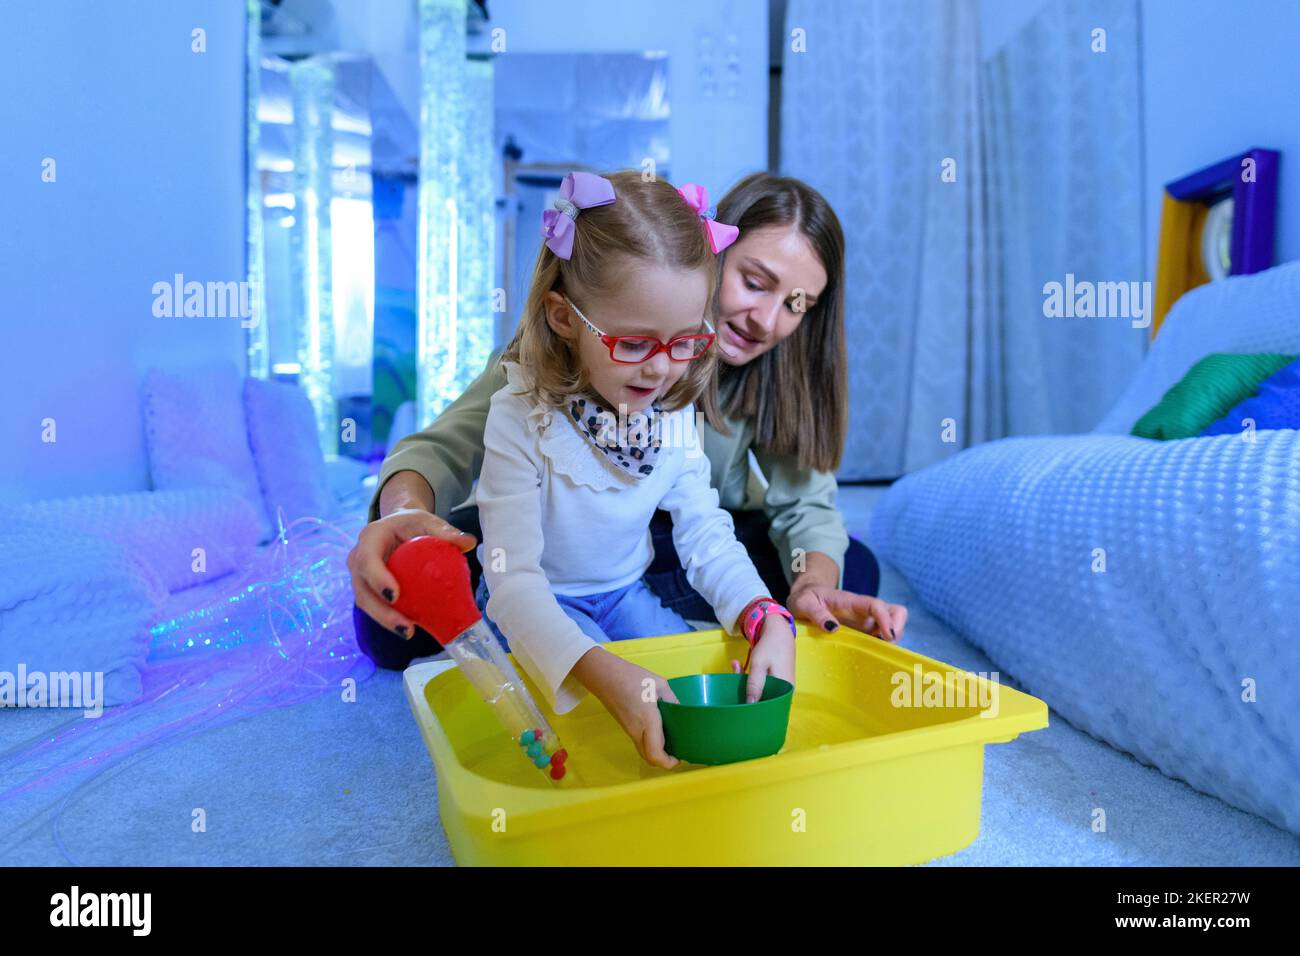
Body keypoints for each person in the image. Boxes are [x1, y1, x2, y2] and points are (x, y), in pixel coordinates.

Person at [348, 171, 907, 681]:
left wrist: (807, 590)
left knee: (849, 565)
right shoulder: (556, 358)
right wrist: (407, 519)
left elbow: (789, 512)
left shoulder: (760, 378)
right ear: (712, 256)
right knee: (397, 604)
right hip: (545, 535)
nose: (767, 319)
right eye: (755, 283)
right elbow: (443, 451)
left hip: (648, 547)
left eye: (796, 303)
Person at [461, 171, 800, 767]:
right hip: (537, 599)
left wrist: (763, 611)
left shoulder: (670, 411)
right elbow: (512, 583)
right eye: (636, 344)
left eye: (684, 341)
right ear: (564, 318)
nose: (661, 371)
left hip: (623, 595)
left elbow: (706, 534)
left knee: (694, 696)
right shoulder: (519, 415)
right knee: (593, 721)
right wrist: (598, 669)